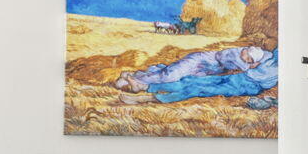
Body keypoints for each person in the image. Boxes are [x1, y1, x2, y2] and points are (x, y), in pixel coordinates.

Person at [117, 48, 278, 104]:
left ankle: (149, 98)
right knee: (190, 80)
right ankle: (145, 86)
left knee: (197, 89)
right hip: (238, 77)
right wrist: (253, 63)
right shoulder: (269, 56)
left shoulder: (280, 69)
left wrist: (251, 64)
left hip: (248, 85)